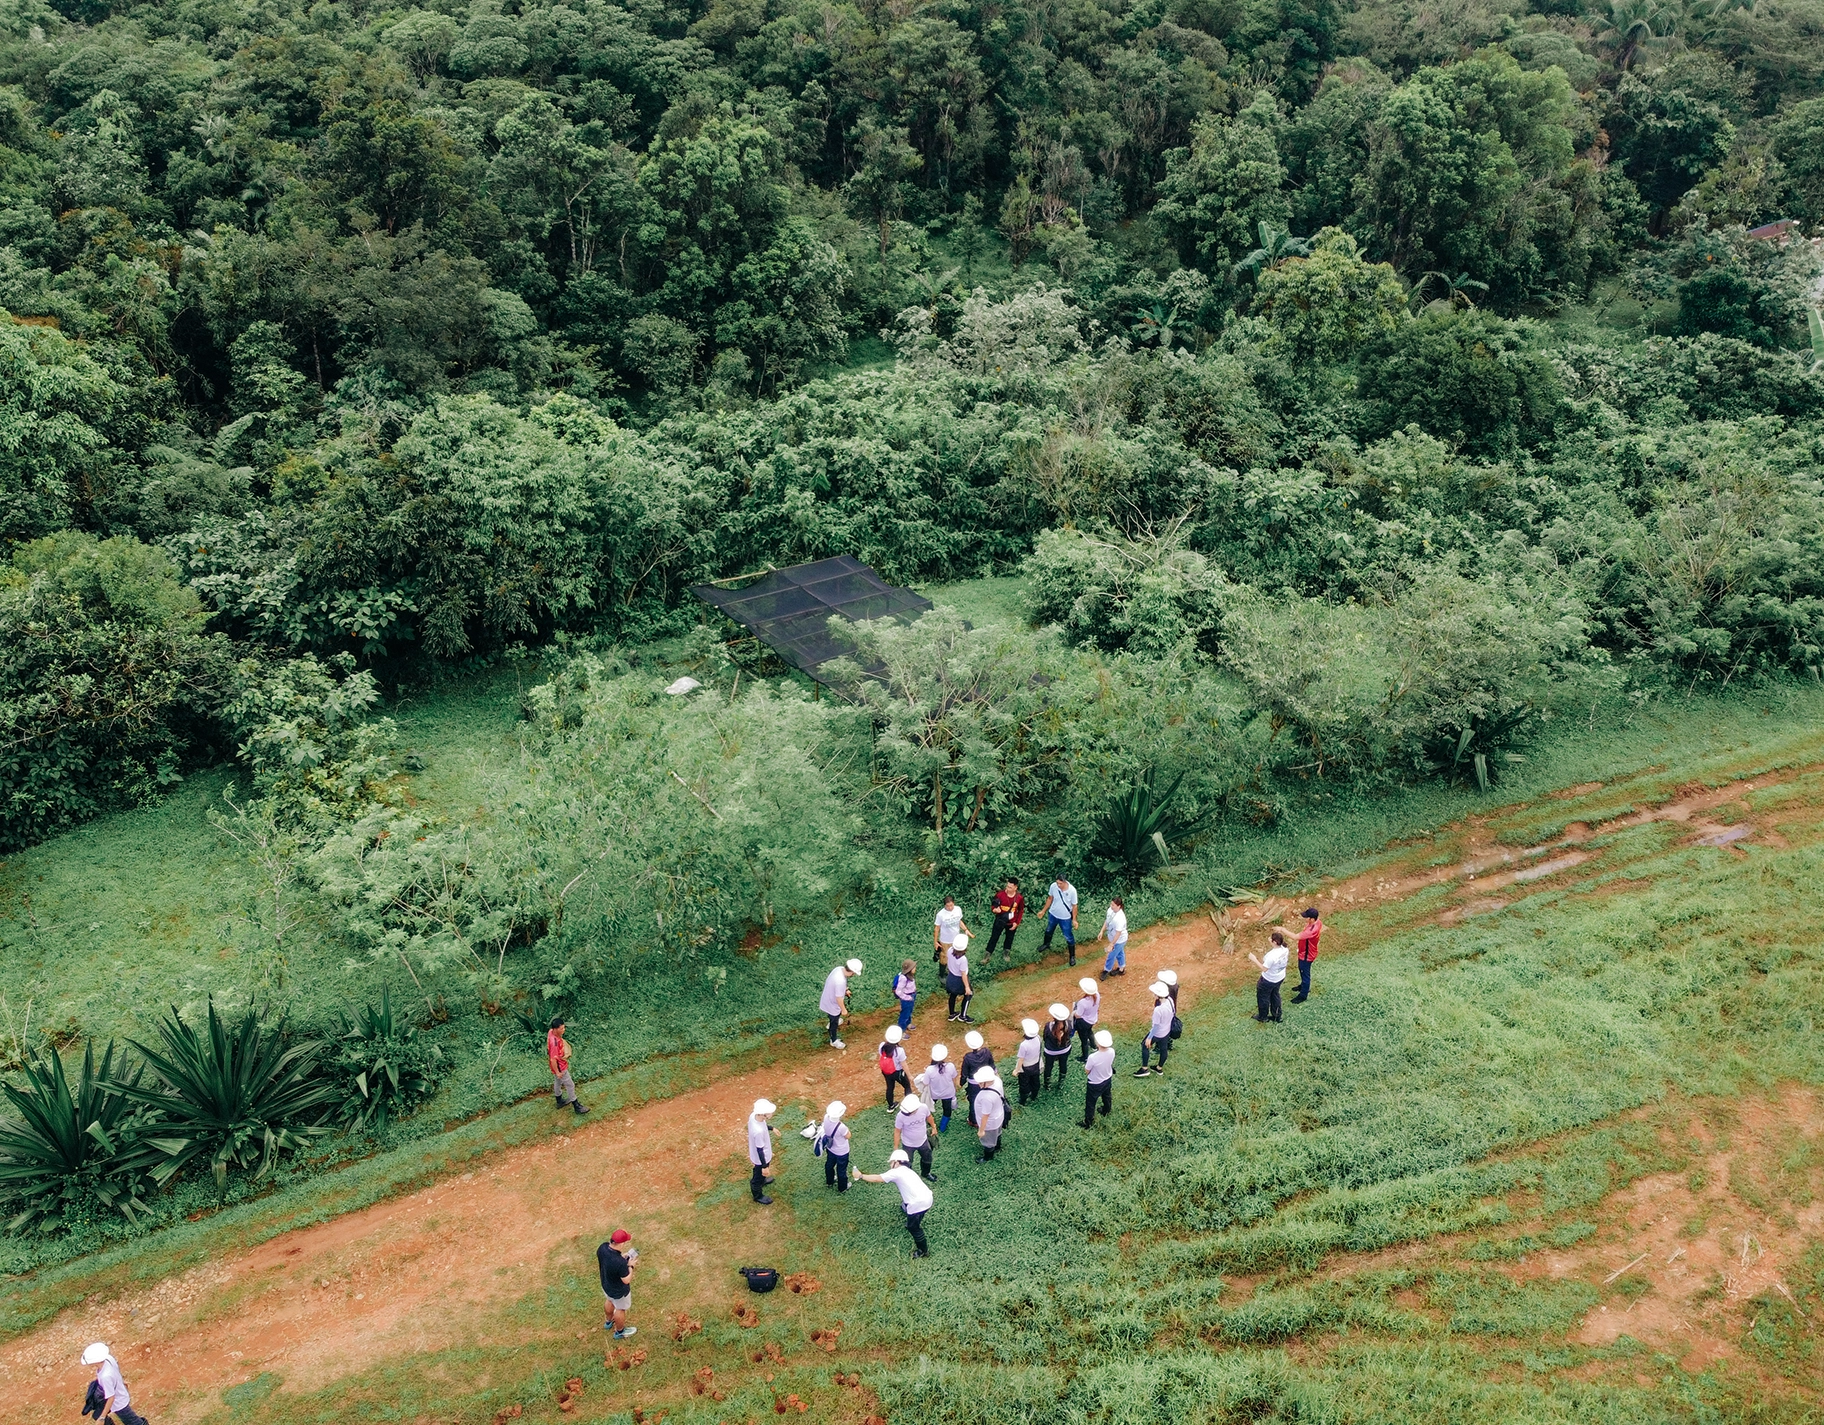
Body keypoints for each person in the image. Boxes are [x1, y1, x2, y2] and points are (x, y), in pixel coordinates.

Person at [856, 1149, 934, 1257]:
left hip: (918, 1204)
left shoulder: (896, 1172)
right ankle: (914, 1222)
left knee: (913, 1228)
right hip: (928, 1198)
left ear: (897, 1162)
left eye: (891, 1162)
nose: (890, 1165)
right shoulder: (908, 1170)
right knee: (914, 1214)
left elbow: (877, 1179)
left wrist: (861, 1176)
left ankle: (923, 1251)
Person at [81, 1344, 147, 1425]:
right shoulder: (109, 1359)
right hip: (119, 1395)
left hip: (119, 1403)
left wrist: (102, 1418)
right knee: (97, 1415)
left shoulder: (105, 1376)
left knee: (133, 1422)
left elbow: (111, 1398)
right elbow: (116, 1371)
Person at [596, 1228, 638, 1339]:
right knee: (620, 1309)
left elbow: (609, 1260)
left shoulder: (602, 1248)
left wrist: (621, 1257)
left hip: (606, 1285)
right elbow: (626, 1280)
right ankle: (620, 1332)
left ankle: (608, 1322)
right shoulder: (620, 1263)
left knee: (609, 1300)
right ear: (621, 1243)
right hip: (619, 1292)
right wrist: (630, 1266)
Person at [546, 1016, 589, 1115]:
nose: (564, 1030)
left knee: (557, 1081)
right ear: (556, 1029)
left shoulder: (551, 1032)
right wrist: (558, 1071)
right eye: (562, 1028)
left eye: (564, 1027)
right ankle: (577, 1106)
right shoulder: (554, 1043)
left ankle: (559, 1101)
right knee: (570, 1084)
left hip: (556, 1065)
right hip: (560, 1066)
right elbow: (553, 1059)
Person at [819, 957, 864, 1049]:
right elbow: (839, 998)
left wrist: (845, 989)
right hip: (832, 1004)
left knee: (833, 1017)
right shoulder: (840, 982)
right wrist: (844, 1010)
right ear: (852, 971)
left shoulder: (839, 969)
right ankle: (834, 1040)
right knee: (834, 1021)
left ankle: (833, 1022)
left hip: (828, 998)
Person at [894, 1092, 938, 1181]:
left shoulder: (923, 1108)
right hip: (908, 1144)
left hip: (923, 1141)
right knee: (906, 1162)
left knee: (927, 1158)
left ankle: (926, 1173)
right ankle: (910, 1178)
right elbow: (897, 1131)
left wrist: (934, 1127)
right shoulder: (900, 1116)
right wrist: (896, 1148)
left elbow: (929, 1117)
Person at [1136, 982, 1176, 1076]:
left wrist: (1149, 1037)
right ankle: (1159, 1068)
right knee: (1163, 1049)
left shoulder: (1158, 1010)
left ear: (1158, 995)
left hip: (1158, 1033)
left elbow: (1156, 1026)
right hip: (1167, 1031)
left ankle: (1144, 1069)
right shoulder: (1170, 1000)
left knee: (1144, 1045)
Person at [1249, 931, 1290, 1023]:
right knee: (1275, 995)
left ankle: (1263, 1017)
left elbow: (1264, 969)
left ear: (1274, 942)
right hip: (1280, 977)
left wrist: (1254, 959)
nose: (1269, 939)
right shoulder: (1285, 949)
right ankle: (1277, 1015)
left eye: (1271, 938)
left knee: (1263, 997)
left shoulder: (1271, 956)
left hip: (1268, 980)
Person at [1039, 874, 1079, 965]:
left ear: (1065, 881)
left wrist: (1074, 920)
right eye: (1057, 883)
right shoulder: (1053, 886)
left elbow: (1074, 906)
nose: (1058, 885)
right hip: (1053, 914)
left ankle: (1072, 956)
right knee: (1049, 930)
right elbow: (1050, 898)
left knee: (1068, 936)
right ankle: (1046, 944)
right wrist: (1043, 911)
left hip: (1065, 918)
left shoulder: (1072, 891)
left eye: (1060, 883)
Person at [984, 879, 1025, 964]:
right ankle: (987, 955)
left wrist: (1016, 923)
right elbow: (993, 905)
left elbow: (1021, 910)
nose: (1007, 888)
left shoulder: (1019, 898)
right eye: (1007, 886)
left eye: (1010, 887)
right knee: (994, 937)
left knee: (1009, 938)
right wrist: (995, 910)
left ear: (1015, 888)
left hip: (1011, 922)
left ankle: (1006, 954)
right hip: (1000, 920)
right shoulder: (1000, 895)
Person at [1082, 1029, 1115, 1130]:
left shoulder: (1093, 1057)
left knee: (1091, 1103)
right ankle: (1106, 1110)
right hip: (1107, 1078)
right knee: (1107, 1095)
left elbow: (1087, 1070)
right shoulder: (1112, 1051)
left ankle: (1088, 1122)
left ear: (1098, 1043)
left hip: (1095, 1083)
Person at [748, 1098, 779, 1204]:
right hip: (761, 1158)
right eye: (769, 1113)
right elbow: (760, 1150)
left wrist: (771, 1128)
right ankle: (757, 1195)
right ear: (762, 1114)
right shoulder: (759, 1132)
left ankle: (762, 1180)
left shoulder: (753, 1116)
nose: (771, 1114)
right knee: (757, 1176)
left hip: (763, 1154)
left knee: (760, 1173)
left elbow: (763, 1124)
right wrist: (764, 1166)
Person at [960, 1030, 994, 1126]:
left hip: (974, 1084)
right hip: (987, 1080)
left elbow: (964, 1073)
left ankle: (973, 1121)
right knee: (987, 1098)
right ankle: (988, 1115)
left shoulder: (968, 1057)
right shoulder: (987, 1052)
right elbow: (992, 1065)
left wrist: (962, 1083)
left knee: (974, 1102)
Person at [973, 1067, 1007, 1161]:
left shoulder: (986, 1097)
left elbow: (985, 1115)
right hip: (999, 1116)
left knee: (988, 1141)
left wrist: (981, 1130)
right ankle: (997, 1147)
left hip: (990, 1123)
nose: (978, 1084)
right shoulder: (997, 1080)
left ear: (987, 1081)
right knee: (997, 1133)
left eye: (980, 1082)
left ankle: (988, 1157)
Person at [818, 1100, 851, 1192]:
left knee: (829, 1164)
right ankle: (843, 1187)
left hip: (830, 1148)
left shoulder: (826, 1117)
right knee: (841, 1170)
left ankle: (830, 1181)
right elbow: (848, 1136)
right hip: (842, 1152)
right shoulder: (841, 1127)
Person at [1293, 908, 1323, 1002]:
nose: (1305, 919)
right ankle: (1303, 986)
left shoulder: (1311, 931)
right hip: (1307, 952)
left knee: (1305, 973)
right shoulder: (1318, 922)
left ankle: (1303, 994)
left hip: (1306, 955)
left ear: (1312, 919)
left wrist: (1282, 929)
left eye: (1307, 917)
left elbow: (1295, 937)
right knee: (1303, 971)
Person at [926, 1043, 958, 1132]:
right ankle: (942, 1128)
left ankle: (927, 1119)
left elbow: (926, 1082)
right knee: (947, 1111)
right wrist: (954, 1090)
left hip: (934, 1094)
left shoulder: (929, 1069)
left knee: (928, 1106)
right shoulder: (951, 1066)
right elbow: (954, 1079)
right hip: (948, 1093)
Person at [1042, 1003, 1074, 1089]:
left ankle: (1047, 1085)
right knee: (1063, 1065)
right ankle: (1061, 1084)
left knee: (1048, 1067)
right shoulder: (1069, 1025)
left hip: (1050, 1052)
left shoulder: (1048, 1026)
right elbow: (1071, 1035)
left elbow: (1045, 1037)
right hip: (1065, 1050)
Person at [878, 1024, 911, 1108]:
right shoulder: (899, 1050)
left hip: (886, 1072)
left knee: (890, 1088)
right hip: (897, 1072)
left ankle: (891, 1106)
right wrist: (910, 1076)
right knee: (907, 1086)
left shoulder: (882, 1046)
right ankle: (909, 1106)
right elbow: (904, 1065)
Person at [945, 933, 974, 1023]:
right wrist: (967, 987)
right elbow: (963, 974)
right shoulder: (963, 959)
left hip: (950, 977)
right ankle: (963, 1016)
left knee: (953, 995)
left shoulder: (949, 950)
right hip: (959, 980)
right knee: (969, 995)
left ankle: (952, 1014)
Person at [933, 896, 970, 968]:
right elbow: (937, 928)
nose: (950, 908)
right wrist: (935, 942)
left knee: (956, 955)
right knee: (944, 956)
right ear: (944, 905)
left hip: (956, 938)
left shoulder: (958, 909)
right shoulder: (940, 915)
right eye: (947, 906)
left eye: (951, 905)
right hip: (945, 940)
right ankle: (942, 974)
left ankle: (953, 969)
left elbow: (959, 921)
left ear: (954, 903)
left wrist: (965, 929)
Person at [1015, 1018, 1043, 1105]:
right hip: (1036, 1065)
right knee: (1035, 1081)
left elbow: (1021, 1059)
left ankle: (1023, 1100)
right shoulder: (1038, 1038)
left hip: (1025, 1067)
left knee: (1024, 1084)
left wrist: (1016, 1070)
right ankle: (1034, 1096)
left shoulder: (1024, 1045)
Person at [1072, 978, 1100, 1062]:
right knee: (1090, 1032)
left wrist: (1073, 1011)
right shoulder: (1097, 995)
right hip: (1092, 1019)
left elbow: (1078, 1015)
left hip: (1083, 1022)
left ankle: (1085, 1057)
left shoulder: (1082, 1002)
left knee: (1083, 1040)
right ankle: (1094, 1046)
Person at [1100, 897, 1128, 977]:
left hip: (1119, 940)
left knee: (1111, 955)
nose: (1111, 906)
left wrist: (1111, 945)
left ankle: (1106, 970)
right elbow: (1107, 920)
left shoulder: (1120, 918)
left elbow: (1118, 933)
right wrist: (1102, 931)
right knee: (1120, 953)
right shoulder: (1110, 910)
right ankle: (1121, 969)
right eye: (1111, 904)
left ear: (1119, 906)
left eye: (1113, 905)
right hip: (1113, 937)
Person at [894, 959, 918, 1030]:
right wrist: (907, 997)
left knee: (909, 1012)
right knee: (904, 1015)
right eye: (913, 967)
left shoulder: (910, 976)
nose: (915, 968)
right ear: (909, 970)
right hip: (907, 999)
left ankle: (908, 1024)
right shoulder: (903, 978)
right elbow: (898, 991)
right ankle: (901, 1031)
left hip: (911, 996)